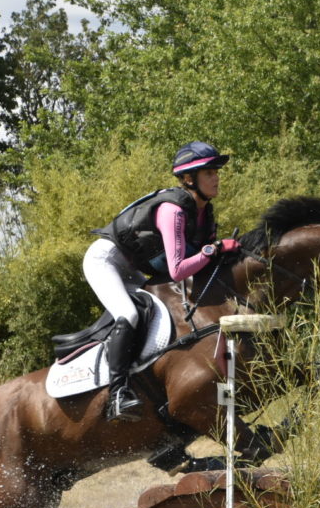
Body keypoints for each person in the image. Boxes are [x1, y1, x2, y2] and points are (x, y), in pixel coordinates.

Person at [85, 141, 239, 422]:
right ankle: (118, 395)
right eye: (209, 173)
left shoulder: (205, 213)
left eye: (216, 171)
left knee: (160, 316)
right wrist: (214, 249)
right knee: (129, 313)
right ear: (190, 179)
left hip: (132, 268)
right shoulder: (174, 210)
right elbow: (179, 269)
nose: (216, 177)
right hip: (106, 260)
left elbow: (197, 268)